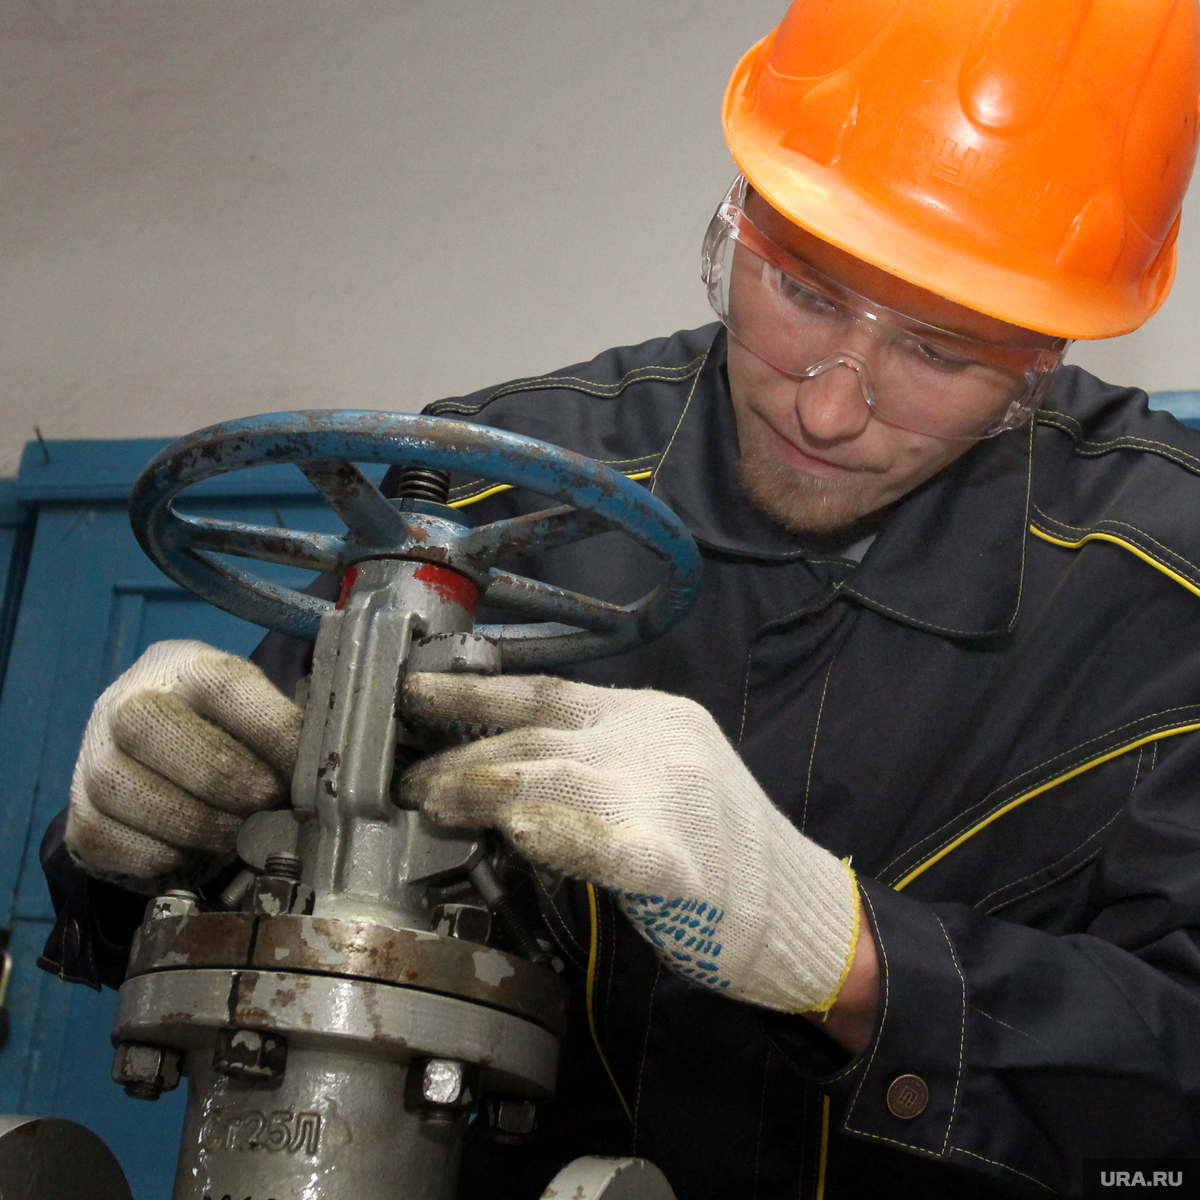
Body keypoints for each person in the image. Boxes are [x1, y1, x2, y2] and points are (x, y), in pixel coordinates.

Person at [37, 0, 1200, 1195]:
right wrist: (129, 831)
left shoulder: (1171, 593)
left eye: (940, 353)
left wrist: (846, 957)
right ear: (736, 219)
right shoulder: (497, 481)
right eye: (803, 293)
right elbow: (236, 888)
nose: (828, 408)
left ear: (1043, 352)